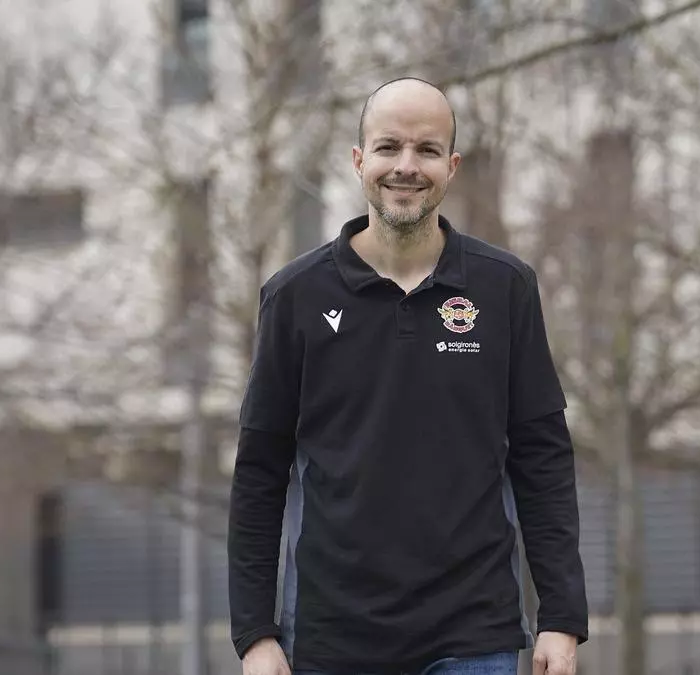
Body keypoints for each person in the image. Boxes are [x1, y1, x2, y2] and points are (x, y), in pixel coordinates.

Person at [229, 76, 588, 675]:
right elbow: (258, 472)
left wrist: (562, 614)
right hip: (332, 638)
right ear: (358, 160)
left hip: (474, 635)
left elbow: (543, 458)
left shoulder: (504, 288)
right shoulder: (294, 297)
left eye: (426, 150)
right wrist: (253, 634)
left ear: (452, 166)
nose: (406, 166)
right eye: (388, 147)